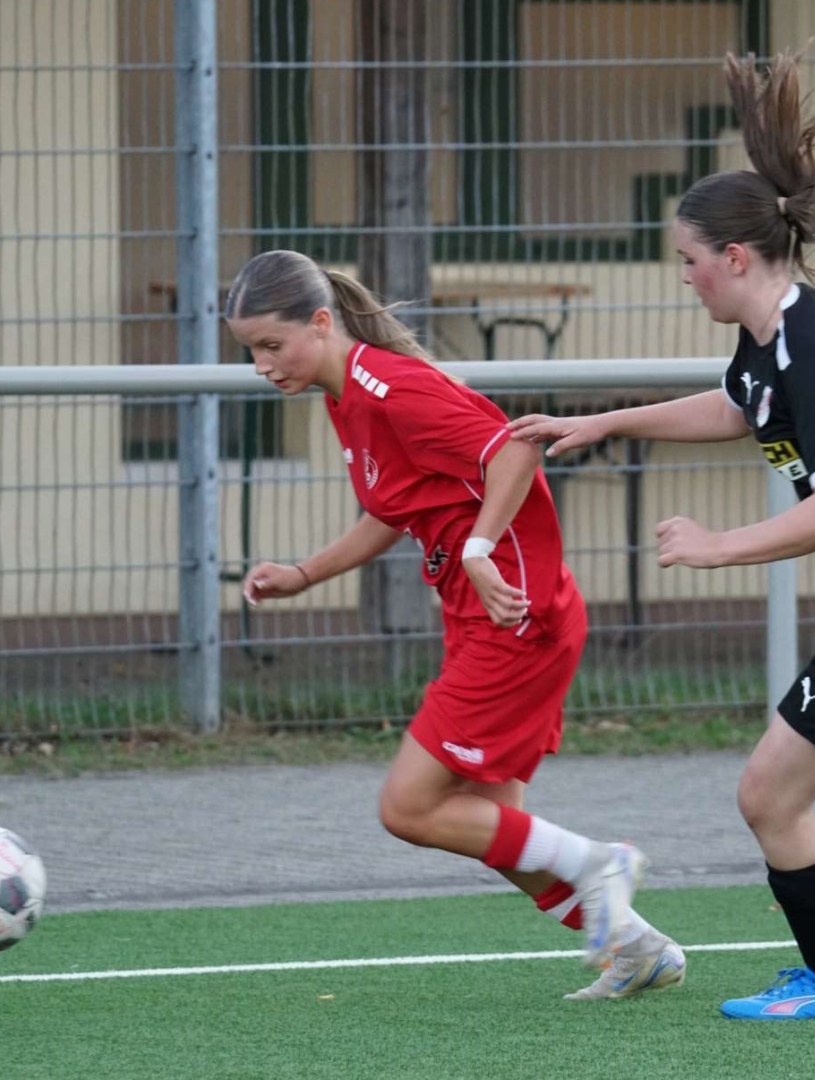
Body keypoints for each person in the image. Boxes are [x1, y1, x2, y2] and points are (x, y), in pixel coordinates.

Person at [509, 49, 815, 1020]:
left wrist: (716, 546)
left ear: (737, 258)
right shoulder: (768, 338)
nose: (685, 277)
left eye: (688, 259)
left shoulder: (813, 346)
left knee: (767, 796)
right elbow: (736, 406)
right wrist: (606, 422)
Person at [224, 249, 685, 1001]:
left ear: (321, 322)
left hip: (515, 614)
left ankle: (602, 865)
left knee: (407, 808)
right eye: (251, 351)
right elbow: (395, 506)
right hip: (484, 618)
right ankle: (636, 946)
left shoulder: (389, 387)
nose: (262, 365)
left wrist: (477, 548)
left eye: (272, 345)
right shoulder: (345, 395)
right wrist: (305, 574)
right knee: (493, 829)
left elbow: (515, 450)